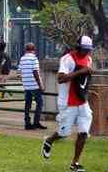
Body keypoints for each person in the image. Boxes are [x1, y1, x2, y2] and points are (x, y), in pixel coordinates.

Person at [41, 36, 94, 172]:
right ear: (78, 47)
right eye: (84, 49)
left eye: (88, 50)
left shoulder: (89, 59)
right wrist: (80, 71)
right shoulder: (67, 59)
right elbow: (60, 79)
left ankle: (74, 163)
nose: (86, 52)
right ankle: (49, 140)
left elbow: (84, 80)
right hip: (67, 103)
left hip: (82, 102)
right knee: (64, 133)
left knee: (83, 132)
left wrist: (88, 91)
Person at [19, 43, 47, 130]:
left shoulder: (22, 59)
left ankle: (27, 123)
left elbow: (19, 72)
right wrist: (40, 85)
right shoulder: (34, 59)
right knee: (40, 103)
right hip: (34, 85)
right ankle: (36, 122)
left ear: (26, 50)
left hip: (26, 85)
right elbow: (35, 72)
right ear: (34, 50)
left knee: (28, 105)